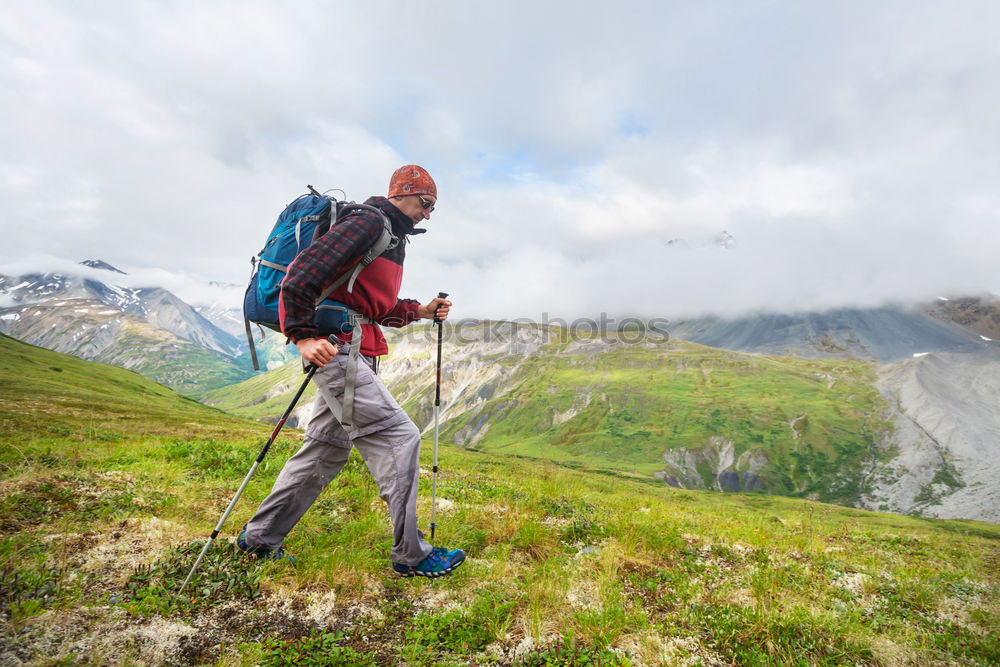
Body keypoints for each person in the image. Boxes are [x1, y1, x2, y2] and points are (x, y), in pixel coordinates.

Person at [238, 165, 465, 579]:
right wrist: (303, 335)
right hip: (336, 348)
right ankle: (411, 555)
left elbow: (372, 306)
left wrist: (419, 310)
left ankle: (260, 537)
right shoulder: (366, 222)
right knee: (399, 436)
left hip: (354, 345)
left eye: (434, 208)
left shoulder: (391, 237)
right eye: (425, 204)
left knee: (326, 448)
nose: (428, 214)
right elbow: (301, 275)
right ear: (402, 193)